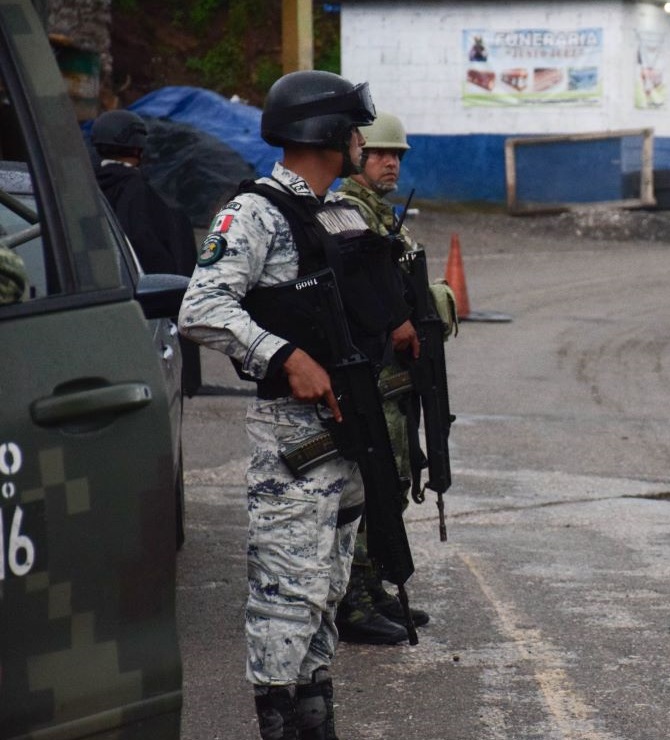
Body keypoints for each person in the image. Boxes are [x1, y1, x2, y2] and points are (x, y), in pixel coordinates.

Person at [178, 69, 412, 740]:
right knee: (288, 598)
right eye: (351, 128)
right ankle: (280, 724)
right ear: (326, 133)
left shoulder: (333, 210)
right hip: (293, 441)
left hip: (347, 436)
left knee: (328, 597)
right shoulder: (252, 213)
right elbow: (202, 307)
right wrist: (283, 355)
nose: (361, 140)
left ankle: (313, 722)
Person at [334, 111, 457, 644]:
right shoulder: (347, 213)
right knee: (372, 485)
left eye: (398, 155)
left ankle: (376, 585)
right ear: (356, 154)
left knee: (396, 481)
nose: (391, 162)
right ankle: (354, 600)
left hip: (397, 379)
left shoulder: (382, 216)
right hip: (375, 376)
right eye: (382, 153)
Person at [92, 108, 202, 394]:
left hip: (89, 310)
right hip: (144, 324)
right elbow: (159, 258)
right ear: (139, 146)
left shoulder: (82, 190)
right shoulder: (142, 193)